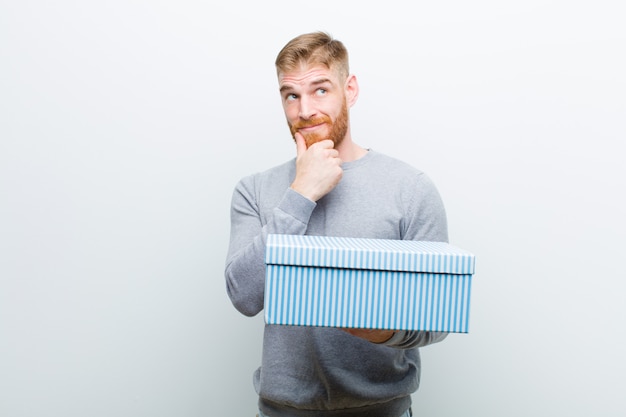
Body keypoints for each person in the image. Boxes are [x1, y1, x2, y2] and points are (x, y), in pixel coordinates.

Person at [225, 31, 449, 417]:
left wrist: (384, 332)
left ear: (351, 90)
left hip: (383, 410)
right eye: (291, 95)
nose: (305, 110)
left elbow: (438, 317)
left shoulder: (410, 189)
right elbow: (244, 296)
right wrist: (301, 194)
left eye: (320, 90)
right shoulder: (255, 190)